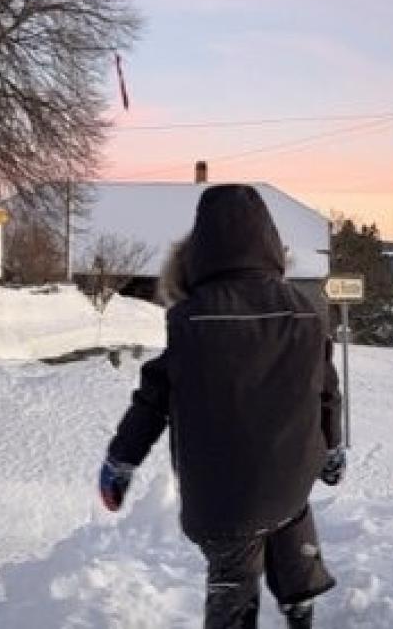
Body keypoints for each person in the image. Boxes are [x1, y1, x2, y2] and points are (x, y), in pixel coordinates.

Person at [97, 184, 345, 629]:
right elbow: (325, 389)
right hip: (290, 475)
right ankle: (300, 604)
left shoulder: (190, 319)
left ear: (200, 253)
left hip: (221, 496)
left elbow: (153, 400)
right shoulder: (305, 313)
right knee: (289, 515)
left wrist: (121, 460)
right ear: (270, 244)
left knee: (234, 576)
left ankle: (239, 605)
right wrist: (332, 446)